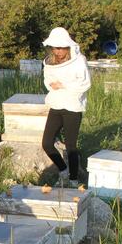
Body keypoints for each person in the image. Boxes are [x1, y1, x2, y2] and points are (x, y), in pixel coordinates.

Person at [40, 27, 92, 187]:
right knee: (47, 143)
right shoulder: (50, 61)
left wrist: (64, 84)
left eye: (61, 47)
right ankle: (63, 171)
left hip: (72, 106)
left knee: (71, 146)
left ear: (68, 47)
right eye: (55, 48)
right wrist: (53, 85)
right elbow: (47, 80)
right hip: (56, 104)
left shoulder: (79, 60)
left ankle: (74, 180)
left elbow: (85, 83)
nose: (58, 51)